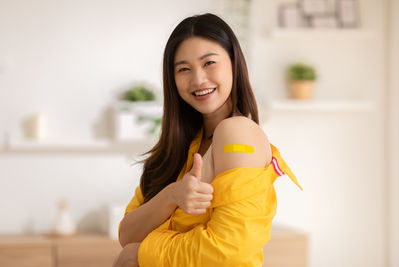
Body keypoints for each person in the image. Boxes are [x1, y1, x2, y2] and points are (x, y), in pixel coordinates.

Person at [113, 13, 302, 267]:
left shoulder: (237, 133)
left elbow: (229, 249)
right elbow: (127, 234)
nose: (198, 79)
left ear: (234, 62)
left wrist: (138, 256)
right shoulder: (176, 149)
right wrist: (172, 195)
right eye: (183, 69)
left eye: (209, 63)